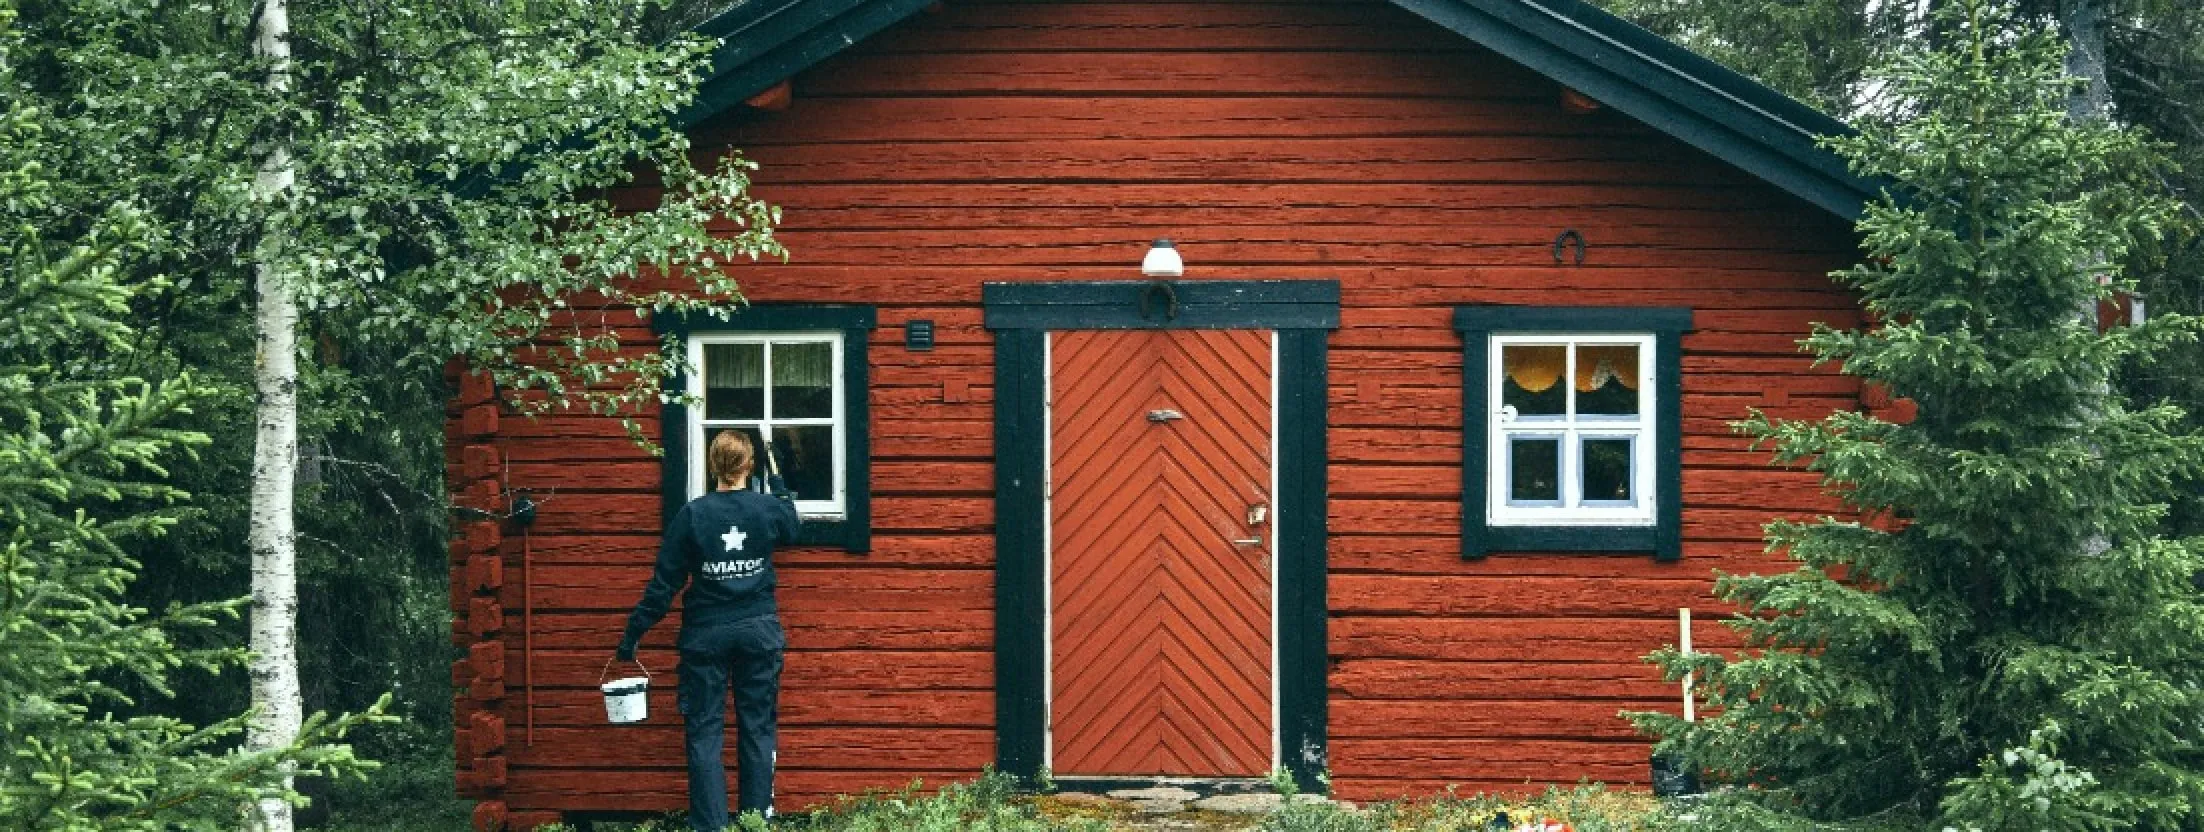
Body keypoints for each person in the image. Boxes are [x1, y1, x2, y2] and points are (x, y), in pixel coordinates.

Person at [616, 430, 800, 831]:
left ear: (712, 465)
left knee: (703, 733)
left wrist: (632, 637)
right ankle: (754, 822)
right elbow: (792, 526)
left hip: (706, 638)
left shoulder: (693, 515)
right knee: (757, 728)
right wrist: (779, 483)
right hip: (758, 635)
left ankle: (710, 827)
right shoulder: (766, 508)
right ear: (748, 466)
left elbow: (663, 586)